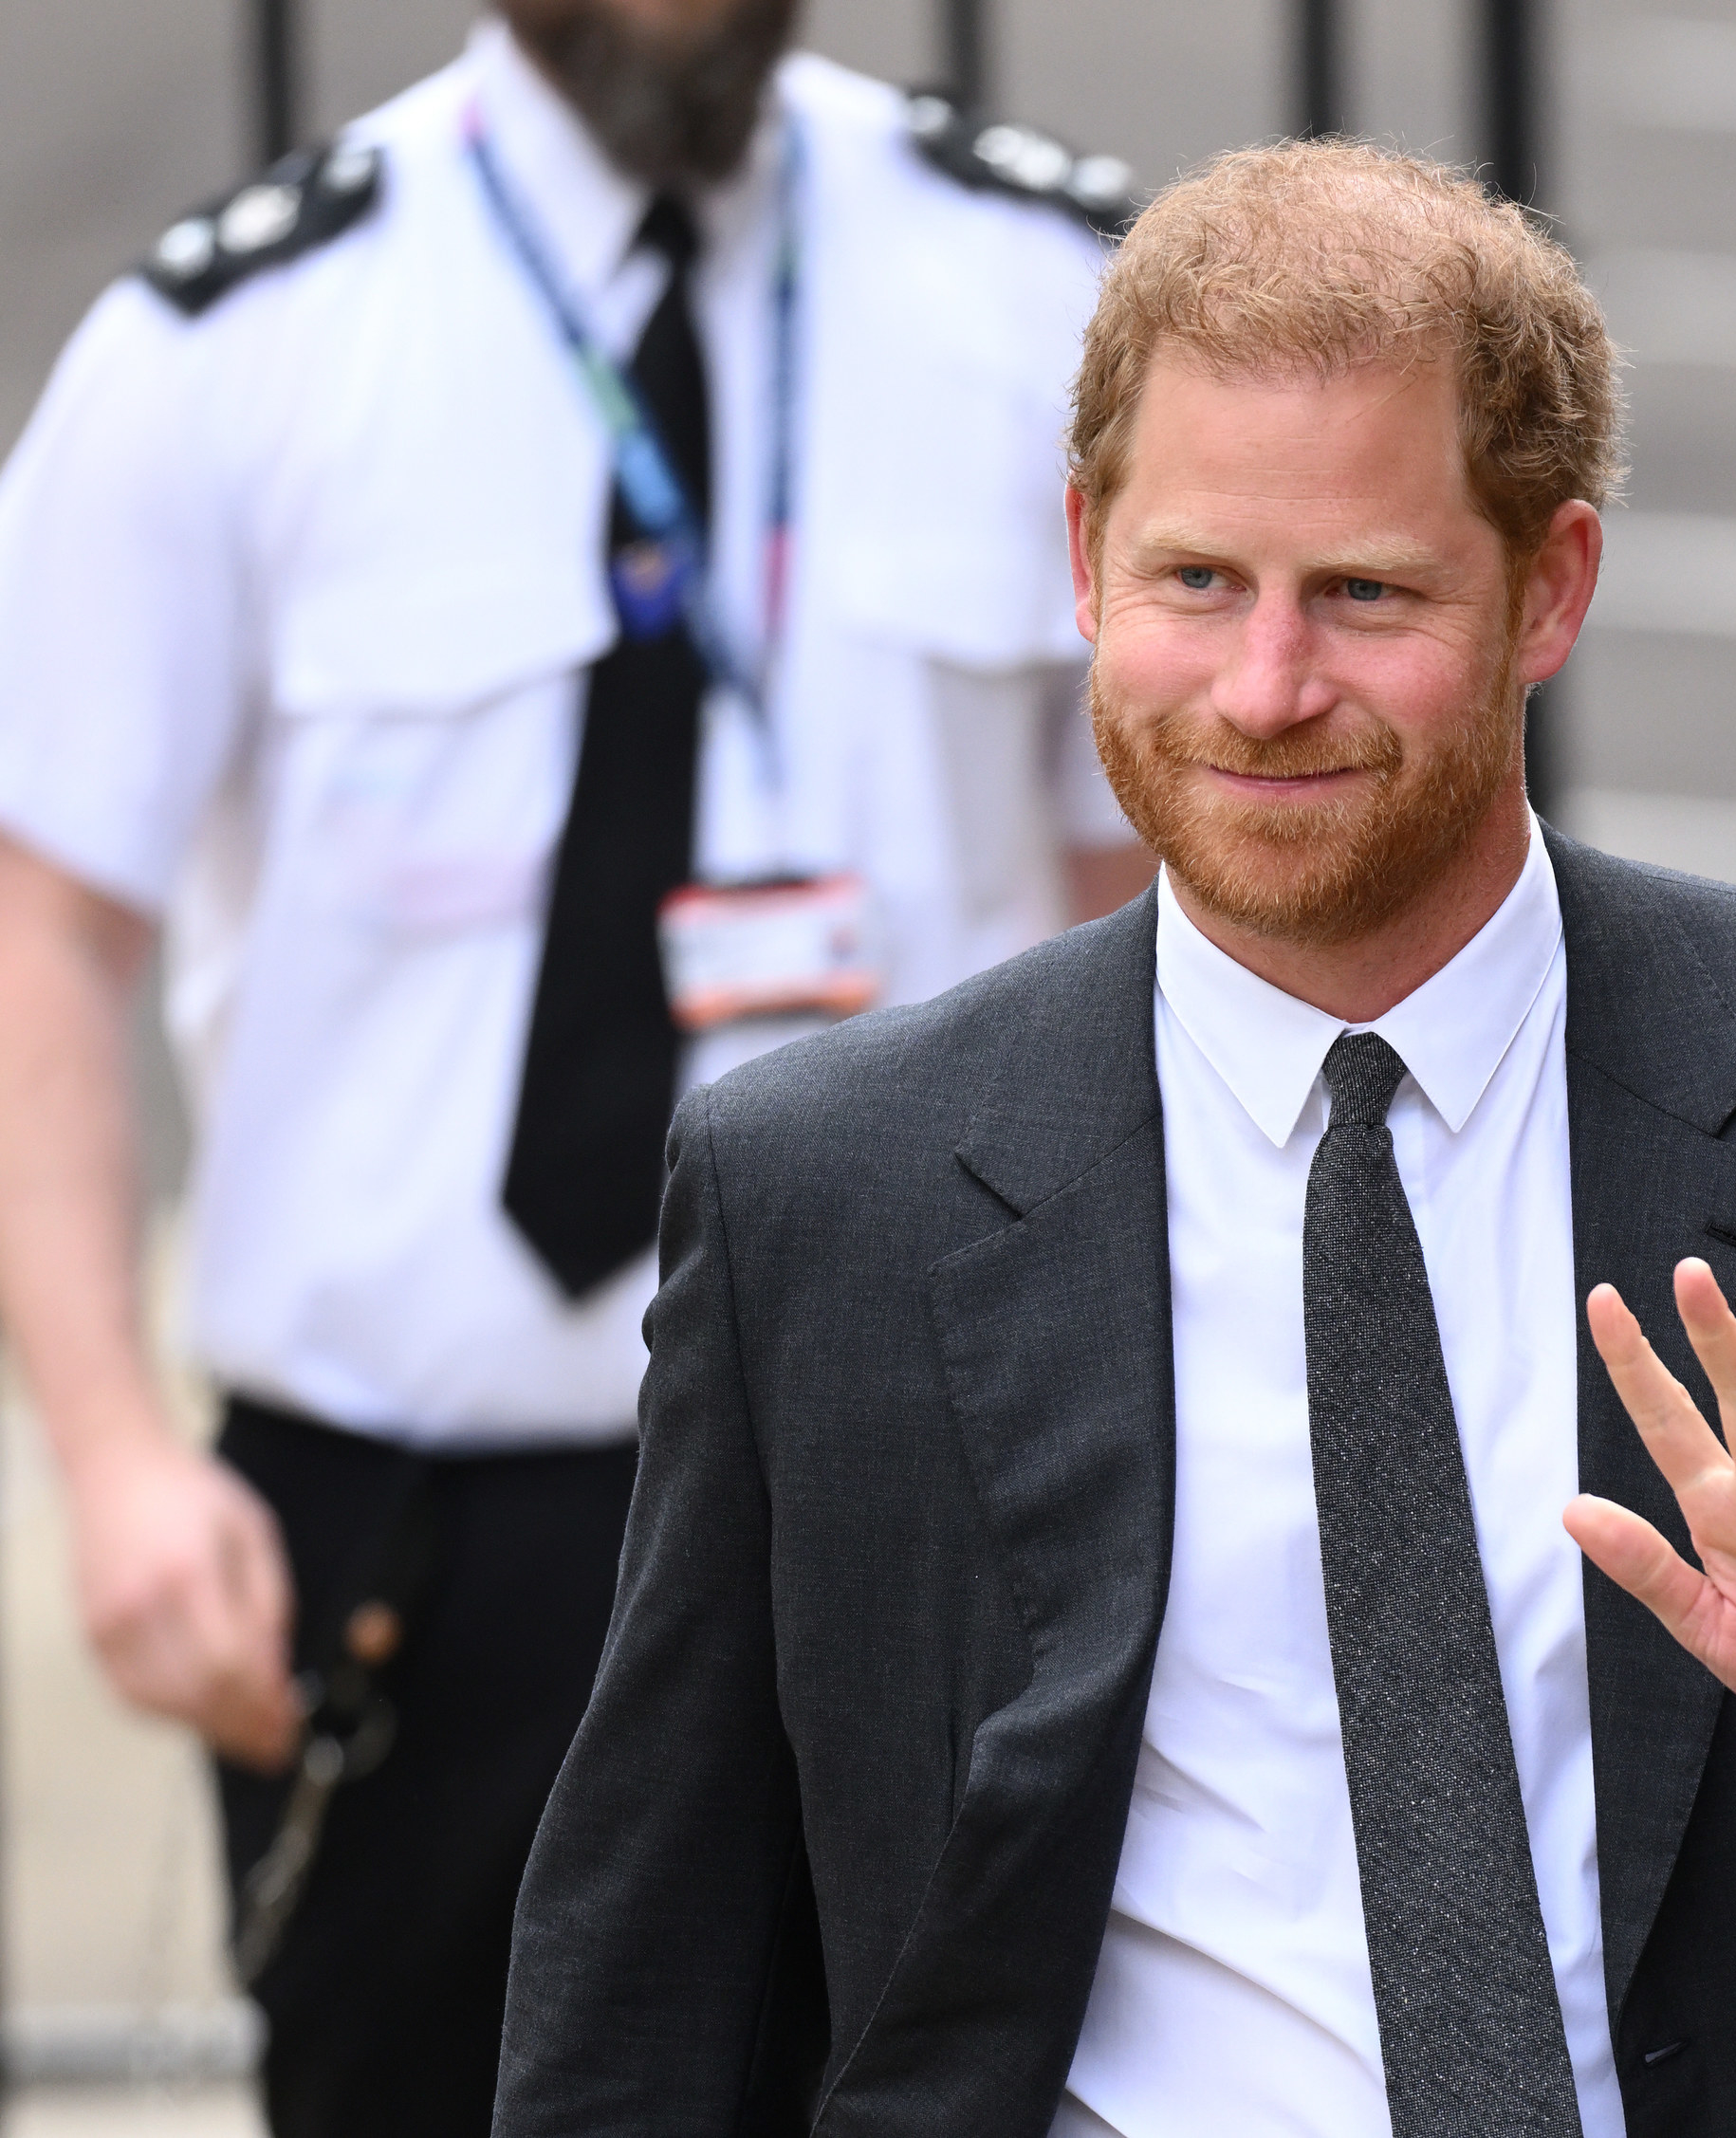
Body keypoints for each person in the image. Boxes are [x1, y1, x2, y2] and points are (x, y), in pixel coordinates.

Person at [493, 138, 1736, 2138]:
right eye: (1195, 581)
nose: (1264, 686)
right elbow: (649, 1968)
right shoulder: (828, 1187)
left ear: (1550, 588)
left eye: (1363, 591)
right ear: (1084, 557)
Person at [0, 0, 1151, 2129]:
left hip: (928, 1487)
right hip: (413, 1552)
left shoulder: (1046, 294)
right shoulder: (234, 341)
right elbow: (44, 924)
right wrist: (114, 1459)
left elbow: (1147, 904)